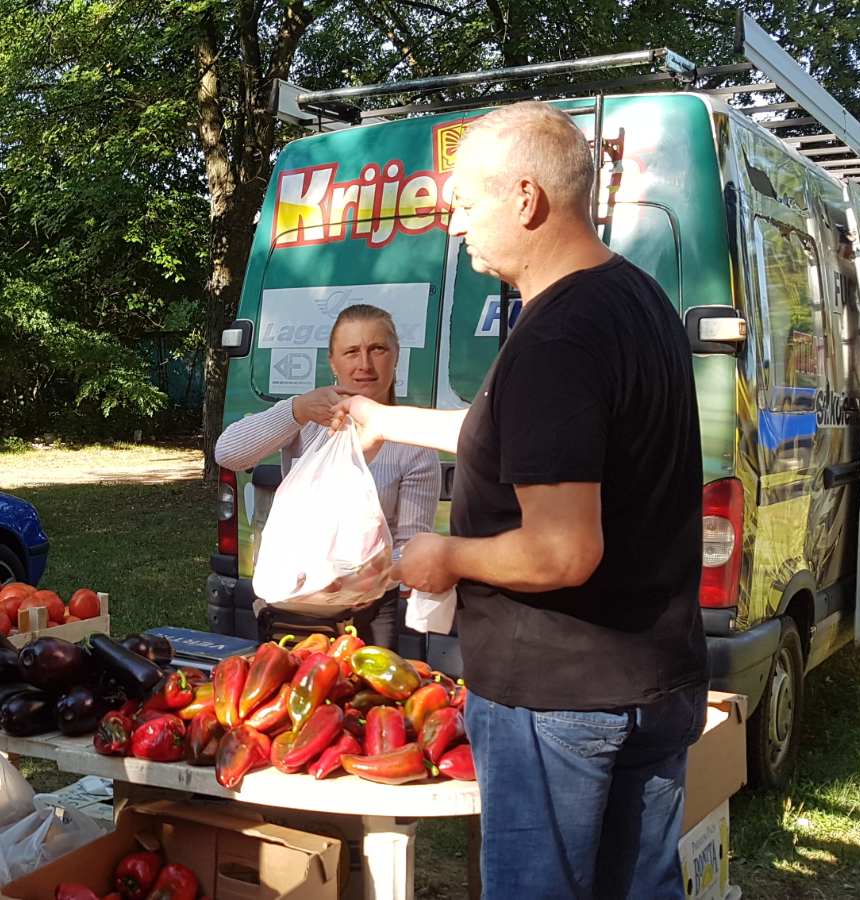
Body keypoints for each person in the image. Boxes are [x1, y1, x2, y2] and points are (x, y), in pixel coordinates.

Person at [338, 102, 708, 899]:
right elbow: (524, 433)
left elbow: (562, 550)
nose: (454, 223)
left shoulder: (553, 338)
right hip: (654, 678)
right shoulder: (634, 301)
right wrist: (385, 419)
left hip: (561, 701)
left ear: (527, 198)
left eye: (466, 203)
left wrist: (441, 556)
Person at [215, 304, 440, 648]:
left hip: (369, 614)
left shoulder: (411, 444)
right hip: (293, 605)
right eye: (351, 352)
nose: (364, 364)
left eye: (377, 349)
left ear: (396, 357)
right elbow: (228, 453)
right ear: (333, 362)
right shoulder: (308, 421)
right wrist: (295, 410)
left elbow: (410, 544)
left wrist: (362, 577)